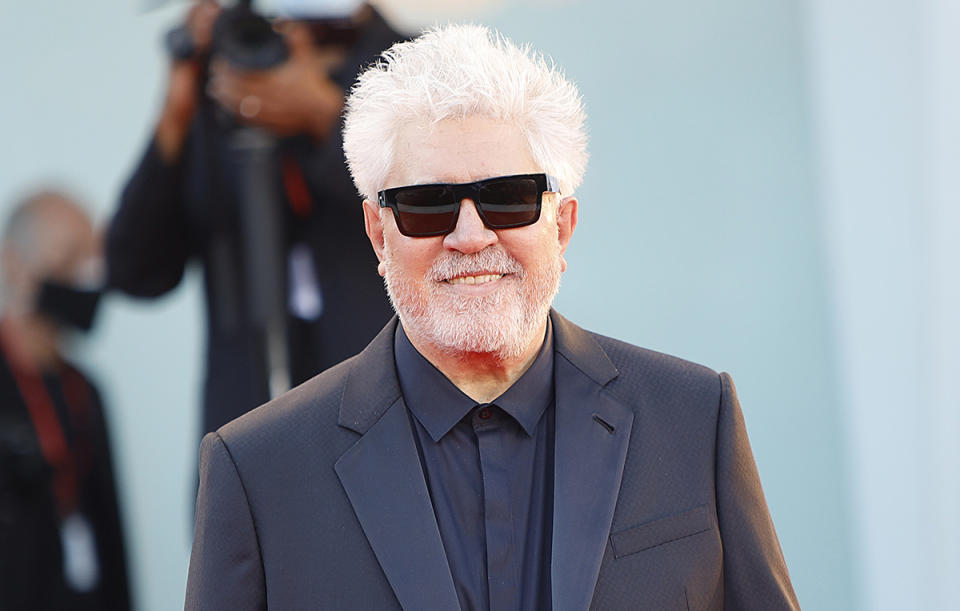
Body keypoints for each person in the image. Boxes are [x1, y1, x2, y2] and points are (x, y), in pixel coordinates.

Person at [185, 24, 801, 610]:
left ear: (562, 227)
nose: (471, 236)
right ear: (379, 234)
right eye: (428, 205)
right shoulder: (260, 470)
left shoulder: (694, 418)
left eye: (510, 198)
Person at [106, 0, 401, 437]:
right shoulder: (225, 77)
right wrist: (177, 111)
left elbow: (432, 208)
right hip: (246, 417)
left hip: (381, 409)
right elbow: (136, 270)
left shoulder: (408, 65)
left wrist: (326, 115)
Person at [0, 191, 131, 610]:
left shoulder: (87, 393)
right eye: (70, 256)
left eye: (93, 257)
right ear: (13, 263)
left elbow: (113, 542)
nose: (87, 275)